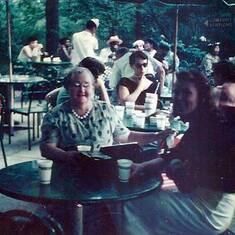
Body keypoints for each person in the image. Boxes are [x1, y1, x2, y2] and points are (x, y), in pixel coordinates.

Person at [118, 70, 235, 235]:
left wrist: (183, 172)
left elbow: (229, 181)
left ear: (201, 97)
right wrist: (141, 167)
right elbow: (175, 155)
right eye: (176, 92)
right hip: (200, 202)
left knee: (130, 204)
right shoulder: (201, 123)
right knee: (149, 199)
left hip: (210, 212)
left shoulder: (214, 126)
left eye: (187, 93)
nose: (179, 97)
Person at [40, 66, 171, 164]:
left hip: (103, 169)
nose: (82, 90)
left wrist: (156, 136)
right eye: (76, 85)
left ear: (93, 88)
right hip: (68, 169)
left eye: (86, 85)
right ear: (68, 88)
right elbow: (46, 148)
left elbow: (126, 136)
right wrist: (66, 156)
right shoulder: (55, 115)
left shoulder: (105, 110)